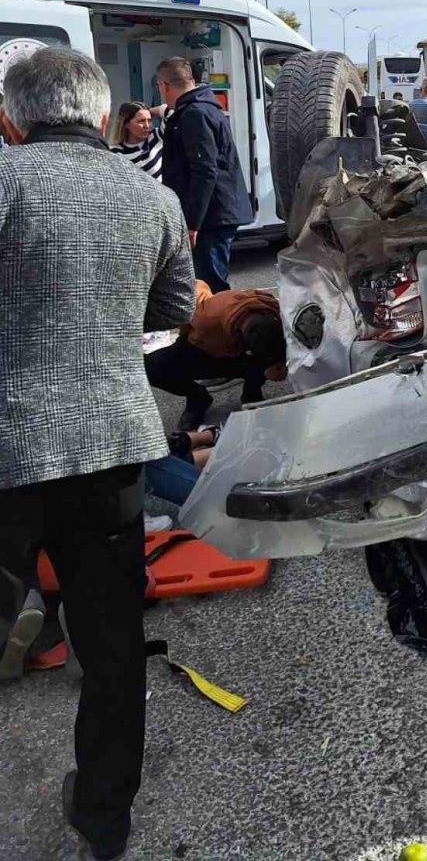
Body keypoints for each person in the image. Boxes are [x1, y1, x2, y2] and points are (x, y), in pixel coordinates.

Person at [0, 48, 194, 860]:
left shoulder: (5, 181)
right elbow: (175, 308)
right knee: (113, 648)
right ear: (102, 111)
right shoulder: (151, 195)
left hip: (9, 447)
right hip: (115, 446)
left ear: (15, 115)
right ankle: (104, 818)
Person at [156, 57, 254, 293]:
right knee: (207, 280)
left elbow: (204, 171)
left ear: (163, 86)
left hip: (211, 216)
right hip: (216, 211)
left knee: (210, 284)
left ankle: (219, 328)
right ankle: (211, 325)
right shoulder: (203, 108)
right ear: (190, 80)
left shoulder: (194, 115)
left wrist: (192, 223)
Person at [145, 283, 287, 431]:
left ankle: (252, 395)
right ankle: (197, 397)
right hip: (205, 349)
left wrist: (277, 365)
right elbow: (196, 286)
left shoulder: (271, 310)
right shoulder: (207, 317)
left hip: (242, 351)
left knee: (262, 361)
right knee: (151, 368)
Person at [109, 101, 168, 179]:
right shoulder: (115, 152)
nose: (147, 126)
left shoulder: (157, 136)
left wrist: (150, 111)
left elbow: (172, 111)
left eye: (149, 120)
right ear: (126, 124)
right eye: (141, 121)